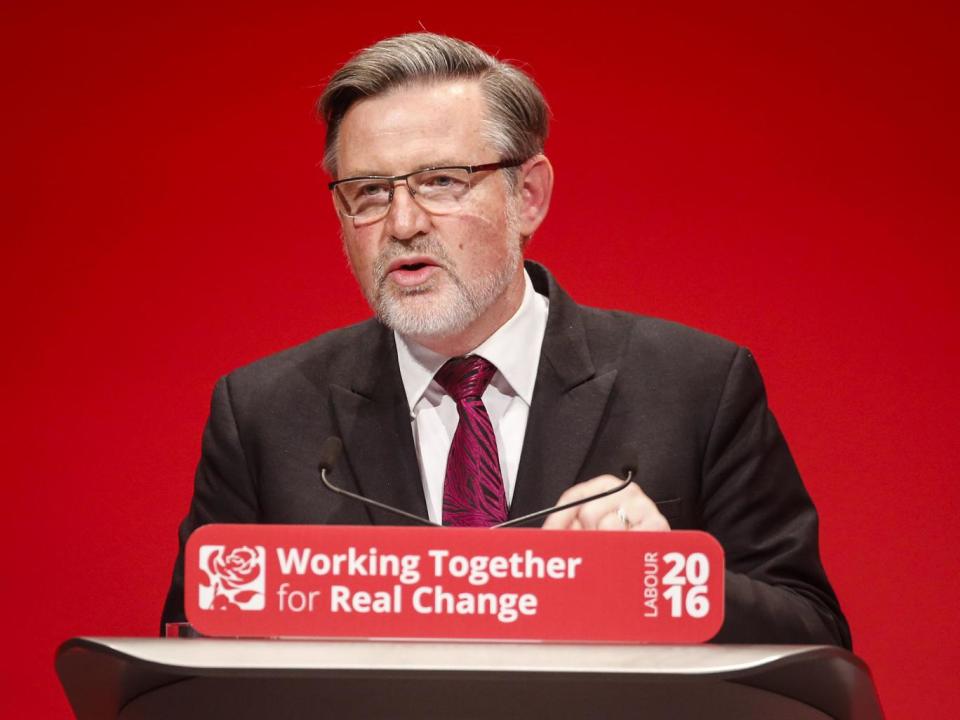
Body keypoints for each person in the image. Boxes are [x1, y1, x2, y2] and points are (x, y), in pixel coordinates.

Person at [162, 32, 850, 647]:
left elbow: (815, 634)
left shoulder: (694, 386)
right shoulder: (264, 413)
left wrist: (672, 577)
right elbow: (187, 656)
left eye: (441, 181)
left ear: (529, 197)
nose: (402, 222)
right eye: (369, 192)